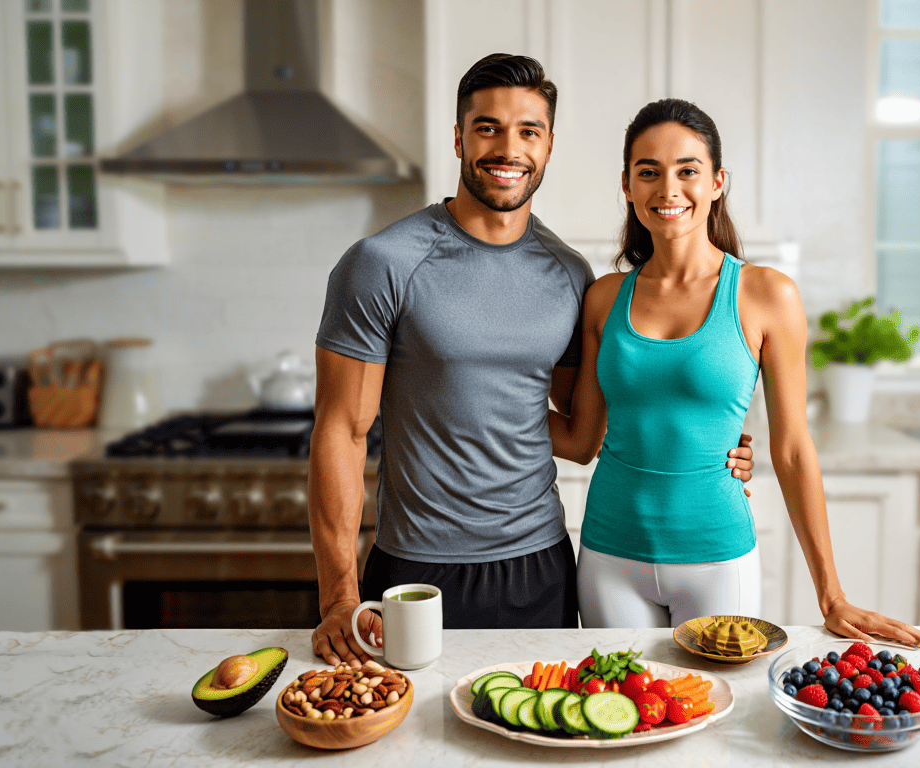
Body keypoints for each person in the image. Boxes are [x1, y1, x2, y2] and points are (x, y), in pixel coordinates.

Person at [308, 56, 755, 667]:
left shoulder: (572, 275)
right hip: (415, 567)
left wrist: (714, 443)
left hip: (539, 566)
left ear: (548, 146)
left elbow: (579, 436)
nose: (507, 148)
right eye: (488, 128)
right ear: (460, 138)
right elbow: (341, 428)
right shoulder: (383, 262)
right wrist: (338, 596)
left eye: (528, 131)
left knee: (541, 748)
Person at [549, 99, 920, 646]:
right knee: (620, 722)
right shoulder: (603, 299)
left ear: (717, 182)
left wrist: (832, 594)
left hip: (717, 558)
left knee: (715, 720)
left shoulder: (765, 295)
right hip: (609, 552)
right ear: (628, 186)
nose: (668, 189)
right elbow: (582, 438)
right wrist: (484, 399)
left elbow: (794, 448)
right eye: (648, 173)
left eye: (688, 171)